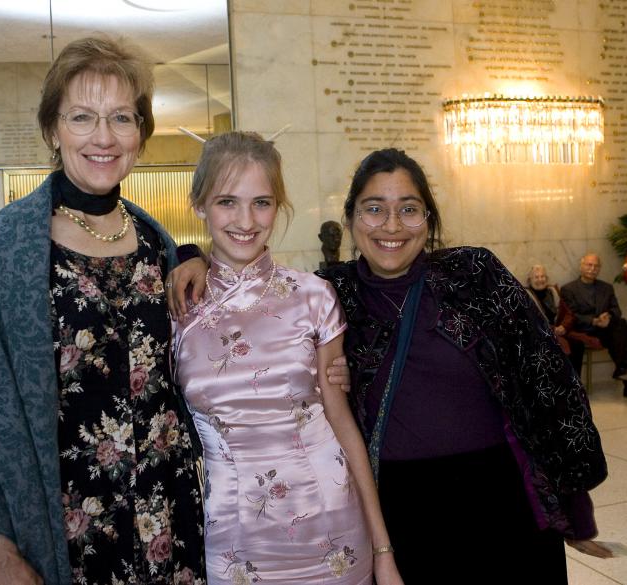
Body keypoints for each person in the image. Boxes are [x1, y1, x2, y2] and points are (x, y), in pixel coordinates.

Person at [168, 148, 611, 584]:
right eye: (374, 209)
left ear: (429, 220)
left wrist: (575, 499)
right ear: (352, 219)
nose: (392, 226)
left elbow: (549, 382)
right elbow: (255, 298)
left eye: (409, 209)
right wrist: (190, 255)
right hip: (399, 507)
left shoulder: (474, 274)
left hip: (498, 498)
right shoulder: (332, 291)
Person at [0, 37, 206, 585]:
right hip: (63, 530)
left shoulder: (156, 243)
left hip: (166, 515)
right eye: (82, 117)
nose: (103, 136)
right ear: (52, 130)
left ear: (140, 134)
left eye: (121, 117)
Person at [172, 132, 402, 584]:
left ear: (279, 206)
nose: (246, 220)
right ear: (198, 204)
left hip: (331, 527)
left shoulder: (314, 297)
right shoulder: (177, 305)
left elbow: (342, 424)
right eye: (227, 202)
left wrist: (383, 549)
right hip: (232, 541)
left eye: (262, 202)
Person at [561, 252, 627, 396]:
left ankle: (622, 369)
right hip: (582, 329)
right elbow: (571, 315)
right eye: (589, 265)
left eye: (596, 266)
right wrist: (593, 320)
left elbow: (616, 310)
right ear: (581, 266)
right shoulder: (568, 289)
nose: (592, 268)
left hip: (604, 329)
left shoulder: (607, 287)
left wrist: (608, 316)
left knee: (621, 324)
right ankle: (623, 369)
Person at [524, 264, 580, 358]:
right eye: (536, 277)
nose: (540, 280)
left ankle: (574, 373)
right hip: (541, 334)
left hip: (559, 331)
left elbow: (568, 313)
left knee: (578, 344)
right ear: (530, 280)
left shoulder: (553, 292)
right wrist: (553, 329)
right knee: (560, 347)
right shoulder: (526, 295)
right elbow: (530, 320)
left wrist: (564, 326)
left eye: (543, 276)